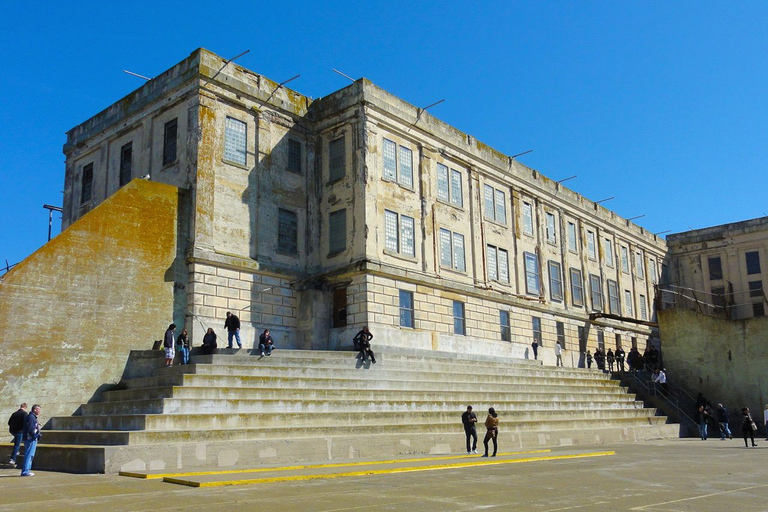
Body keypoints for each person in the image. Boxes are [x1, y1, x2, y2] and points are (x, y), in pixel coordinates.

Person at [20, 404, 41, 477]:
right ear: (35, 409)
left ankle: (26, 470)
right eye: (38, 409)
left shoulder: (31, 417)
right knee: (29, 455)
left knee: (30, 455)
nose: (39, 411)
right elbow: (31, 429)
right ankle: (25, 471)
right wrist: (36, 436)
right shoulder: (31, 417)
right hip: (30, 439)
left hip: (30, 438)